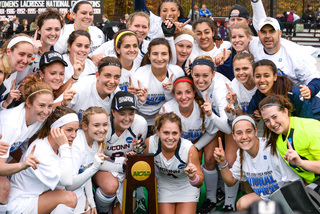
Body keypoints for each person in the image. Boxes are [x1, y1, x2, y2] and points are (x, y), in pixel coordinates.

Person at [214, 115, 300, 211]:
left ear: (255, 132)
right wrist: (222, 163)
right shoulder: (240, 153)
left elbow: (294, 182)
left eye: (248, 131)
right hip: (265, 199)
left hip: (286, 197)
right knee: (242, 204)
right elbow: (231, 181)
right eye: (239, 133)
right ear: (233, 136)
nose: (244, 137)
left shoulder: (271, 148)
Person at [6, 106, 79, 214]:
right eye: (69, 130)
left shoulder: (61, 148)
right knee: (69, 198)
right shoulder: (40, 150)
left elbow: (68, 181)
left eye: (76, 130)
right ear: (54, 130)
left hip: (39, 198)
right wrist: (64, 147)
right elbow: (67, 181)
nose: (74, 135)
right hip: (21, 204)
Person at [0, 77, 54, 212]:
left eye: (49, 106)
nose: (46, 111)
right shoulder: (12, 123)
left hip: (6, 156)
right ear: (28, 103)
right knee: (4, 186)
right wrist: (22, 165)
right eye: (41, 105)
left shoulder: (38, 117)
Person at [190, 55, 236, 213]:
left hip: (233, 122)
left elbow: (228, 128)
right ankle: (211, 198)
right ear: (191, 73)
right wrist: (195, 147)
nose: (200, 80)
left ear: (213, 74)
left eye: (205, 76)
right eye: (196, 75)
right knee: (209, 158)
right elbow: (212, 128)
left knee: (228, 161)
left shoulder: (219, 89)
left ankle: (230, 203)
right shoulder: (194, 86)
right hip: (216, 123)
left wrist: (210, 115)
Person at [94, 91, 148, 213]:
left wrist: (137, 153)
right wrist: (121, 167)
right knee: (110, 187)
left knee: (124, 210)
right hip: (105, 166)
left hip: (126, 166)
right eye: (122, 114)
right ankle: (103, 211)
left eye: (131, 113)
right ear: (113, 112)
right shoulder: (104, 125)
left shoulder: (140, 123)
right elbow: (96, 159)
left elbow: (138, 154)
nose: (127, 118)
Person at [144, 112, 204, 214]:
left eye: (175, 133)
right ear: (158, 131)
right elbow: (143, 167)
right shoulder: (150, 143)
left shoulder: (189, 149)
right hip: (164, 185)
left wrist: (193, 177)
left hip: (186, 187)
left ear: (180, 133)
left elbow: (200, 183)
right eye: (166, 133)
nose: (170, 138)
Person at [259, 94, 320, 187]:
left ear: (285, 111)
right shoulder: (278, 138)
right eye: (267, 120)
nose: (272, 123)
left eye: (275, 117)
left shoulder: (309, 129)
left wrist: (301, 163)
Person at [249, 17, 320, 96]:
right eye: (263, 32)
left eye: (272, 31)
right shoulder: (254, 45)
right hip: (266, 96)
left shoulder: (295, 53)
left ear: (279, 33)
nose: (267, 36)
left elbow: (315, 78)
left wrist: (310, 90)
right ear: (258, 34)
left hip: (292, 97)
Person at [130, 38, 184, 129]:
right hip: (140, 120)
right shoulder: (139, 75)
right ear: (149, 56)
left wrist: (169, 92)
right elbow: (133, 108)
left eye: (164, 54)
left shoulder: (177, 72)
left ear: (169, 55)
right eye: (155, 54)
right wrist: (141, 101)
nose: (159, 59)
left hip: (165, 119)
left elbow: (177, 103)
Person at [246, 59, 320, 121]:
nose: (262, 80)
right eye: (258, 76)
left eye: (266, 76)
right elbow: (249, 118)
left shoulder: (293, 92)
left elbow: (308, 124)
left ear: (275, 76)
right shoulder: (258, 96)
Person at [68, 107, 108, 213]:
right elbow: (69, 185)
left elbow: (86, 173)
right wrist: (84, 199)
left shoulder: (96, 142)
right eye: (96, 125)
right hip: (63, 192)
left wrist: (91, 201)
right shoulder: (77, 144)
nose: (102, 129)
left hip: (78, 189)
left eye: (105, 124)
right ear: (85, 126)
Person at [1, 35, 34, 109]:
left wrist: (18, 87)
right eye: (21, 54)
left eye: (29, 56)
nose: (25, 60)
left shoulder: (14, 71)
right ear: (9, 51)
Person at [27, 8, 63, 75]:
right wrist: (32, 55)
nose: (53, 33)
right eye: (48, 29)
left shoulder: (60, 51)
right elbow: (19, 77)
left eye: (57, 29)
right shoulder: (28, 47)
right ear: (39, 30)